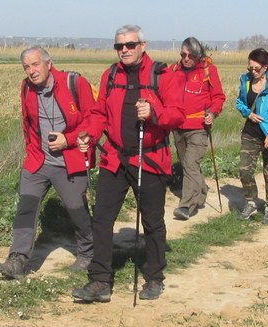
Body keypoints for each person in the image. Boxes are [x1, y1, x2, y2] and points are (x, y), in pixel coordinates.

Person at [71, 25, 184, 303]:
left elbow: (178, 115)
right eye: (119, 46)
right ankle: (100, 281)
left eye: (130, 45)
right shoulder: (110, 75)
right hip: (115, 157)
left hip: (150, 158)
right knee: (101, 219)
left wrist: (154, 112)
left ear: (142, 45)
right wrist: (89, 134)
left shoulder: (161, 75)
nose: (124, 50)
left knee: (152, 222)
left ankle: (155, 277)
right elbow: (98, 113)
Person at [0, 46, 96, 280]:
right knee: (26, 207)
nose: (31, 71)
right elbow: (27, 123)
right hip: (38, 161)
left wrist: (68, 140)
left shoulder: (75, 83)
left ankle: (89, 253)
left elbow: (93, 119)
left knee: (76, 210)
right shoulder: (26, 87)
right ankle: (17, 259)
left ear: (49, 64)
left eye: (35, 64)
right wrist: (31, 151)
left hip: (69, 161)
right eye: (26, 67)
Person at [166, 37, 226, 219]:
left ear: (197, 55)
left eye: (190, 55)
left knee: (191, 164)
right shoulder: (173, 70)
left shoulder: (208, 71)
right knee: (186, 164)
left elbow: (218, 97)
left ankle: (186, 206)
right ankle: (200, 194)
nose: (185, 58)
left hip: (198, 127)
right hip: (177, 127)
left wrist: (213, 112)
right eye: (183, 54)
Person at [236, 44, 268, 223]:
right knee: (244, 170)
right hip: (250, 132)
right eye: (250, 68)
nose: (252, 71)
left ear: (265, 67)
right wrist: (248, 113)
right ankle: (251, 202)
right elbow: (239, 102)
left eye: (256, 68)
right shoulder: (246, 81)